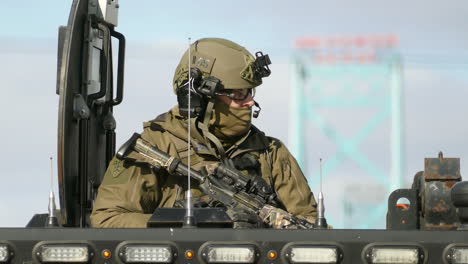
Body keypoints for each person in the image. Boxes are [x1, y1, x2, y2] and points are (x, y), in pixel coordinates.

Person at [90, 38, 317, 228]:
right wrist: (200, 223)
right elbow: (107, 219)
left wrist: (262, 228)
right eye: (237, 95)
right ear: (200, 98)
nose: (249, 102)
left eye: (250, 92)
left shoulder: (271, 153)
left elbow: (309, 225)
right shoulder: (156, 145)